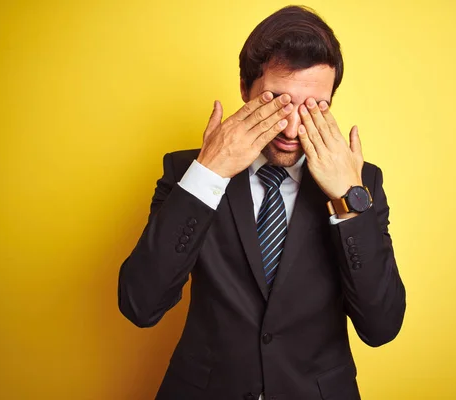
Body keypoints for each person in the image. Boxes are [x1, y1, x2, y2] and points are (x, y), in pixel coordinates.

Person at [118, 5, 406, 400]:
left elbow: (382, 326)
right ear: (245, 88)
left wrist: (347, 200)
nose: (291, 129)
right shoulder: (189, 170)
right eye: (277, 101)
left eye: (313, 107)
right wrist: (208, 175)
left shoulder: (362, 182)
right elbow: (140, 304)